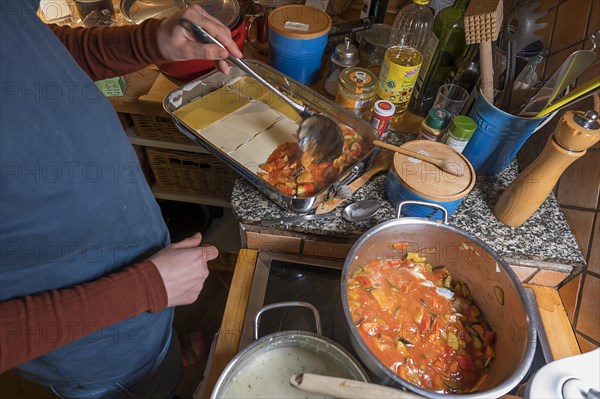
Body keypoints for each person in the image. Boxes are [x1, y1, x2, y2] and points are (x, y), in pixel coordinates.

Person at [0, 0, 243, 397]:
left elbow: (30, 53)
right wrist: (146, 289)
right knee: (149, 384)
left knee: (163, 362)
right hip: (96, 350)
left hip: (143, 287)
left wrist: (151, 41)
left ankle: (170, 356)